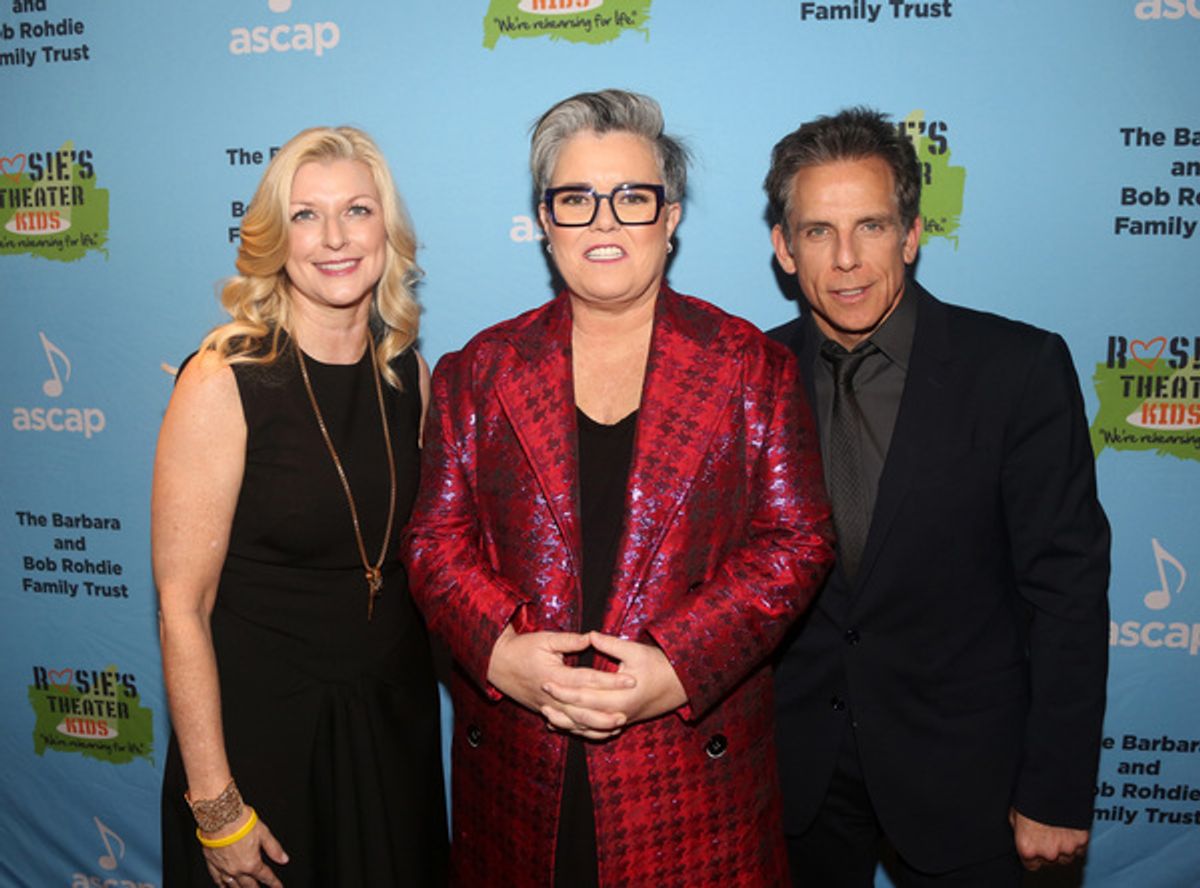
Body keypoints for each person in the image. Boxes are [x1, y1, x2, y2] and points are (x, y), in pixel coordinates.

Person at [401, 89, 834, 887]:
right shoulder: (477, 372)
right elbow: (433, 543)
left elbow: (797, 542)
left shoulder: (749, 368)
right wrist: (501, 653)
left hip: (691, 783)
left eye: (632, 198)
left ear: (670, 219)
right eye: (577, 199)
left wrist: (678, 665)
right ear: (544, 220)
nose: (604, 222)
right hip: (519, 777)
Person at [765, 107, 1111, 886]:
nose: (848, 260)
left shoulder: (1016, 370)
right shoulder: (746, 377)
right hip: (793, 785)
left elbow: (1066, 590)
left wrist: (1056, 788)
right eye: (818, 231)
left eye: (873, 227)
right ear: (784, 249)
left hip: (971, 782)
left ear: (913, 235)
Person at [154, 126, 447, 887]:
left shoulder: (407, 372)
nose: (335, 238)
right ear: (272, 239)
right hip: (265, 747)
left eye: (357, 210)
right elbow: (184, 606)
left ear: (388, 228)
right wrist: (216, 804)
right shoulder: (225, 377)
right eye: (306, 215)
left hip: (391, 730)